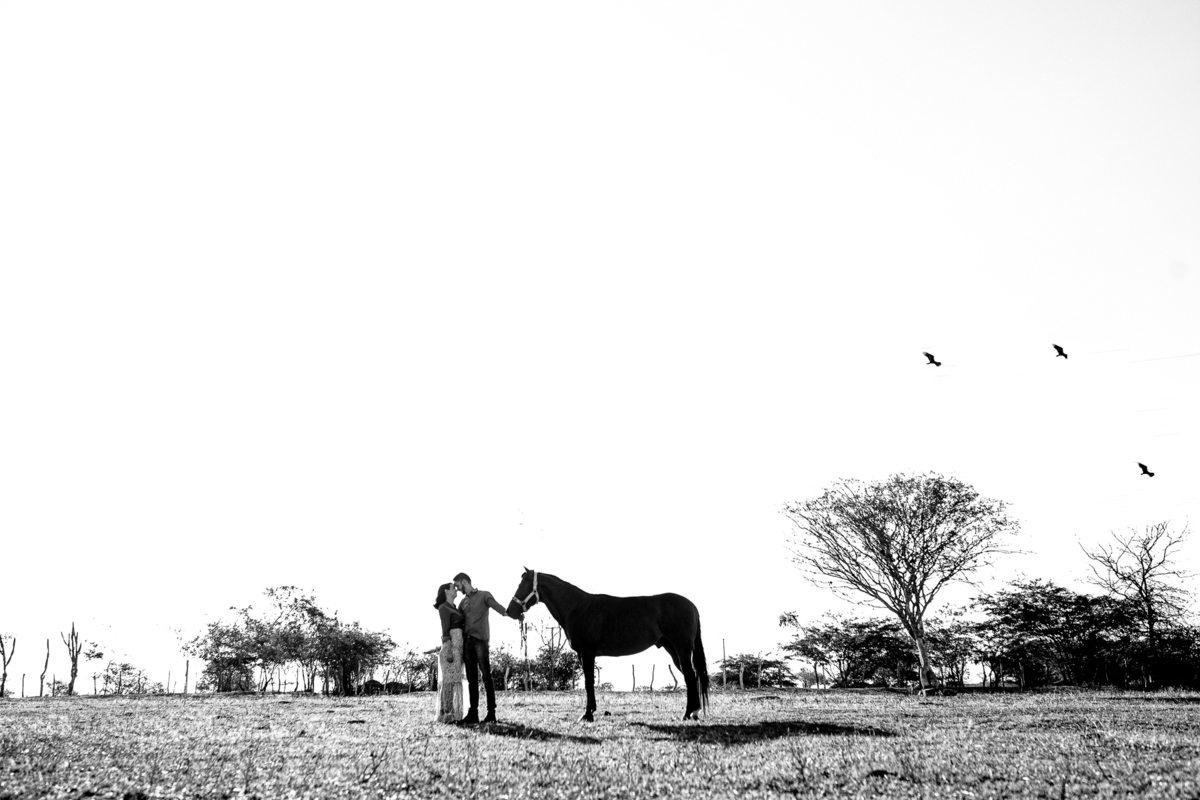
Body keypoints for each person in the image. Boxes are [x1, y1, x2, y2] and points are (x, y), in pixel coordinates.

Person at [453, 571, 511, 724]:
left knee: (486, 676)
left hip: (480, 642)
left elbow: (498, 607)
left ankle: (491, 713)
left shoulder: (484, 595)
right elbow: (457, 622)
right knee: (471, 679)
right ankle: (473, 714)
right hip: (467, 644)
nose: (458, 590)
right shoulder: (462, 603)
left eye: (458, 586)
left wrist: (512, 614)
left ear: (464, 582)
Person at [433, 582, 465, 723]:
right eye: (453, 587)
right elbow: (445, 631)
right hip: (451, 647)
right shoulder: (444, 607)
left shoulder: (454, 607)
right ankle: (447, 713)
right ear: (446, 591)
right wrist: (450, 650)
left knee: (455, 680)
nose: (456, 589)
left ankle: (455, 713)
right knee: (449, 682)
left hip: (459, 646)